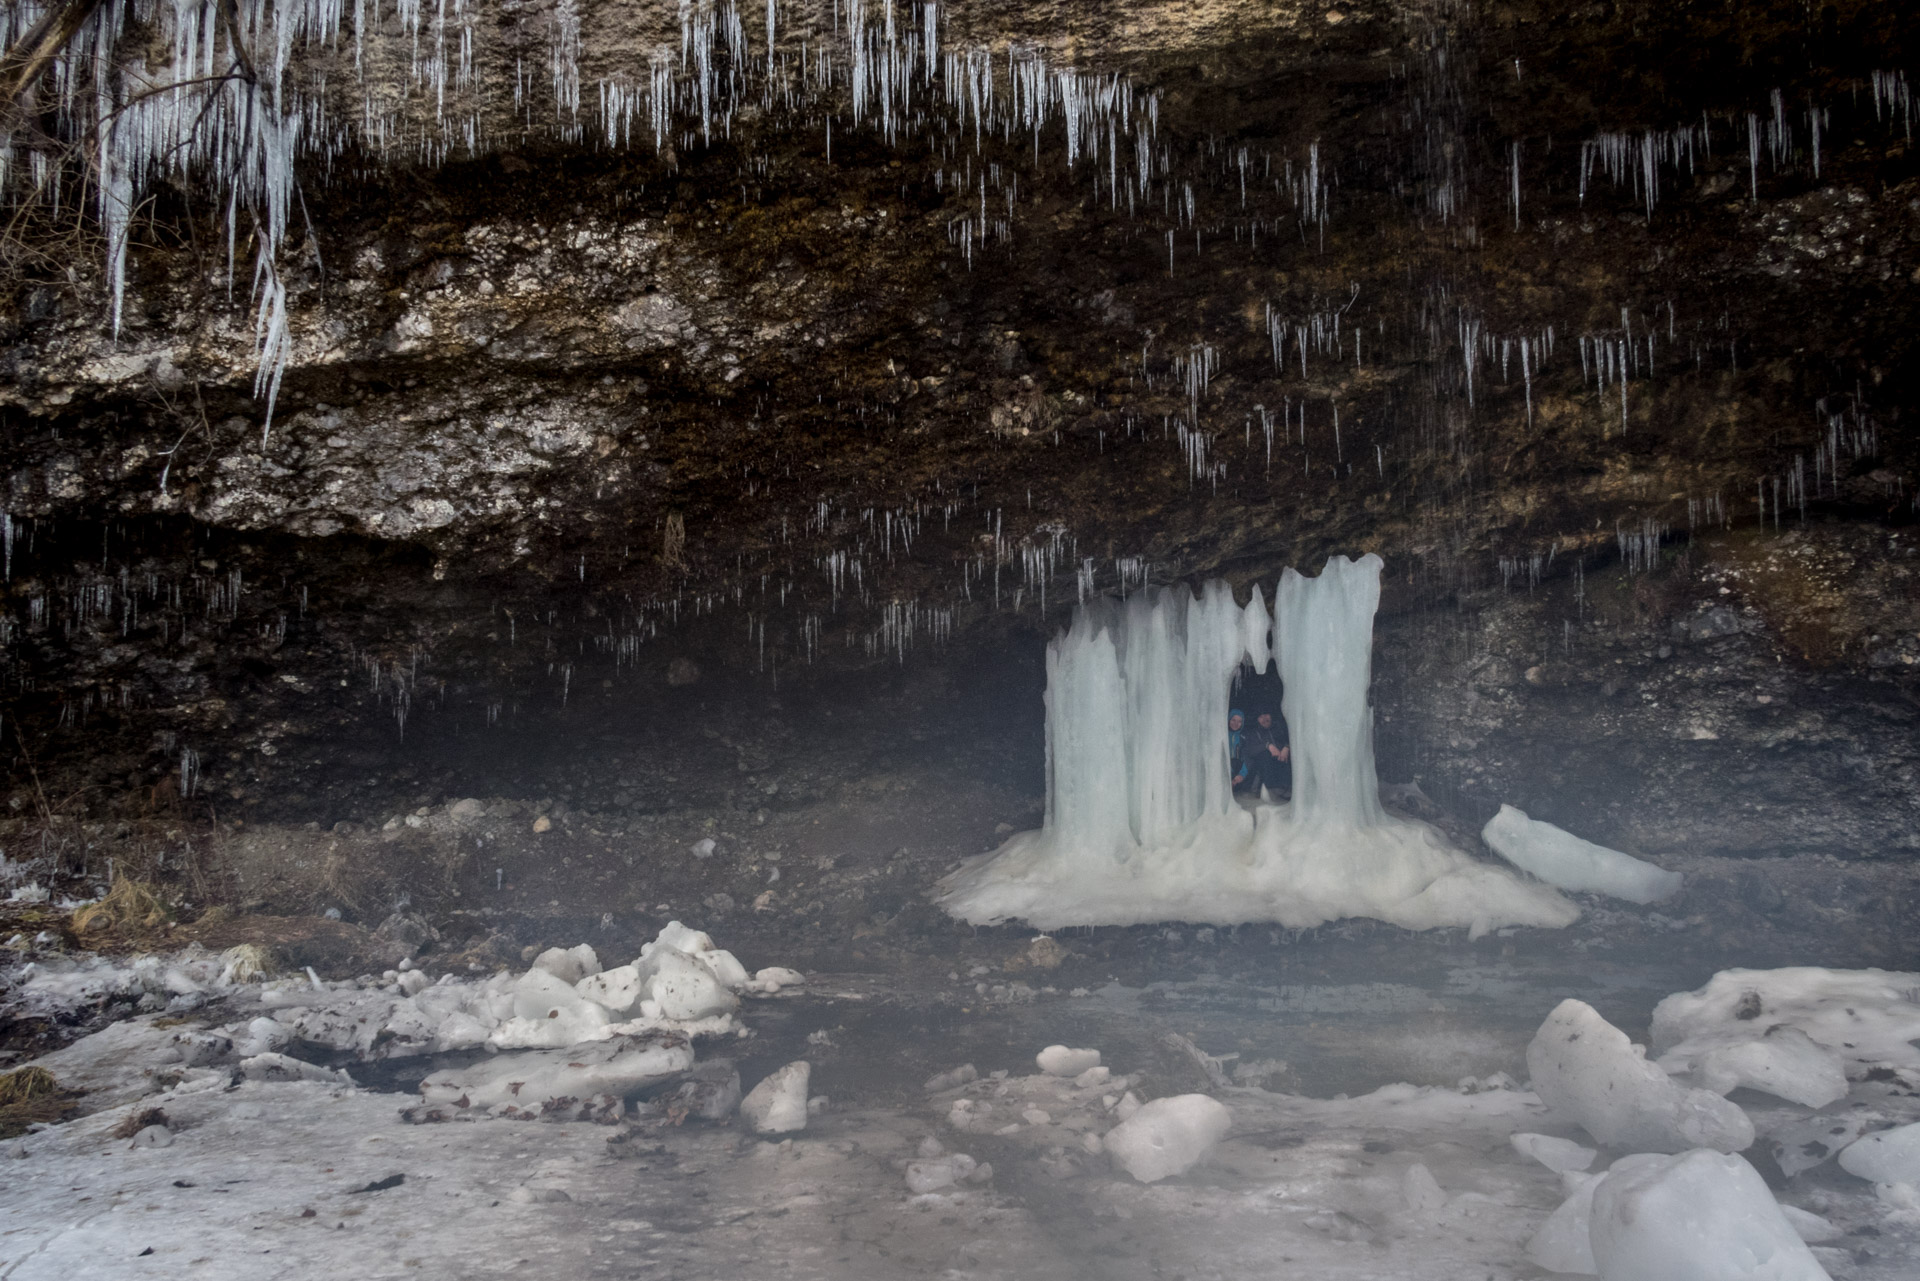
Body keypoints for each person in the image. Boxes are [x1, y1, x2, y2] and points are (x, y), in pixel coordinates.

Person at [1247, 708, 1291, 798]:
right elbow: (1250, 751)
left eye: (1266, 715)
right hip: (1266, 771)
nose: (1264, 719)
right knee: (1264, 755)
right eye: (1260, 717)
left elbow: (1293, 738)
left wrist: (1287, 747)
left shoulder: (1280, 727)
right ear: (1257, 719)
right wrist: (1267, 746)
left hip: (1283, 767)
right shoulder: (1254, 733)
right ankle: (1269, 789)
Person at [1228, 709, 1254, 793]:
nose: (1236, 723)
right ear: (1229, 719)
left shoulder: (1244, 737)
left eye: (1239, 721)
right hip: (1227, 769)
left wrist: (1242, 774)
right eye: (1233, 720)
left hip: (1240, 770)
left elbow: (1248, 757)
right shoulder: (1223, 734)